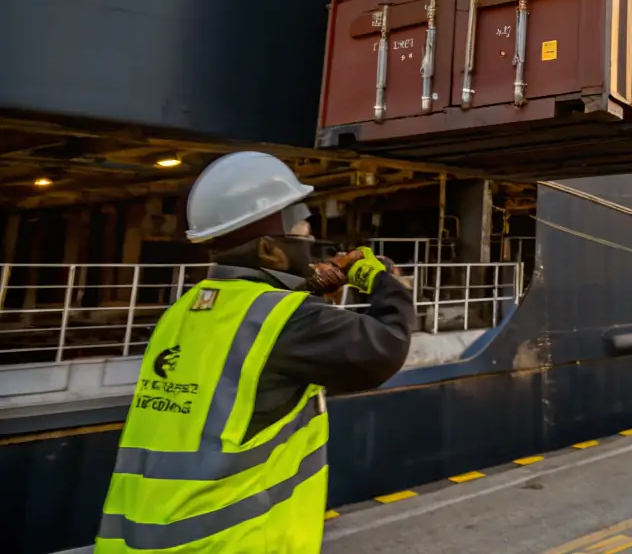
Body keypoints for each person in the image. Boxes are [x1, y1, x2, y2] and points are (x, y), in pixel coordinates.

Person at [94, 151, 416, 553]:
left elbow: (253, 349)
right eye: (301, 233)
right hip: (229, 543)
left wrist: (307, 289)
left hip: (137, 541)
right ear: (269, 251)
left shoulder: (184, 311)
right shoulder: (288, 321)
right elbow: (384, 348)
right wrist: (385, 284)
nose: (310, 242)